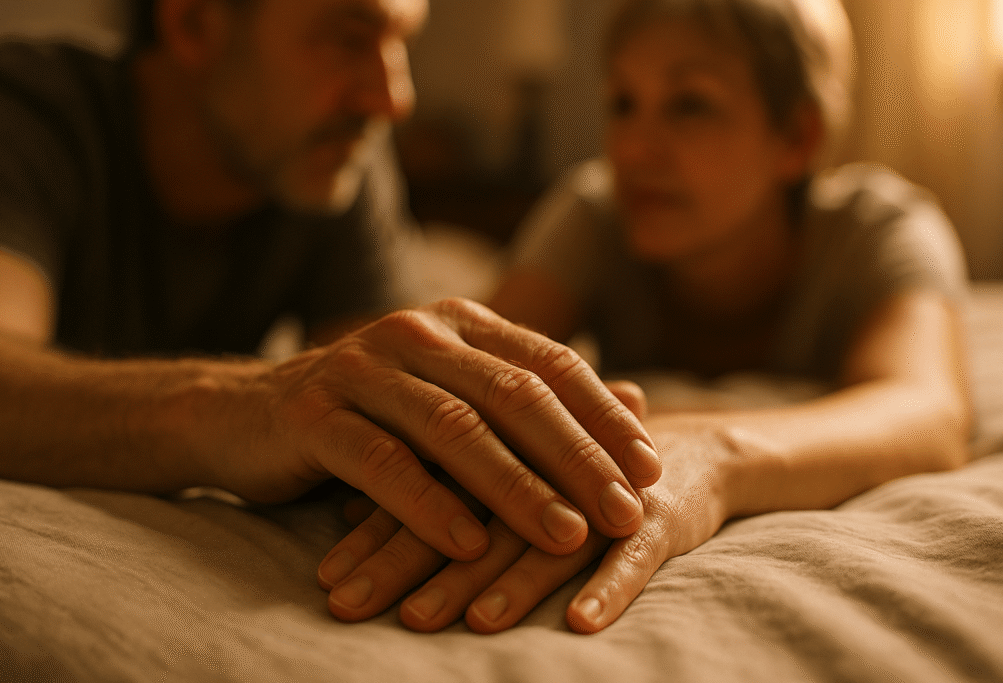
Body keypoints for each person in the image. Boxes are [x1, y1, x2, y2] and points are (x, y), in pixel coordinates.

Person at [318, 0, 972, 635]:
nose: (633, 149)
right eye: (623, 103)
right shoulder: (595, 213)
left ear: (797, 138)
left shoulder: (880, 229)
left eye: (690, 105)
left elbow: (925, 411)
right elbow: (473, 371)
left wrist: (715, 453)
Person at [0, 0, 665, 576]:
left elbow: (379, 389)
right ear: (193, 25)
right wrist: (241, 404)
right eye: (348, 37)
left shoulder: (331, 157)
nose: (394, 98)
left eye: (399, 43)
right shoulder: (21, 116)